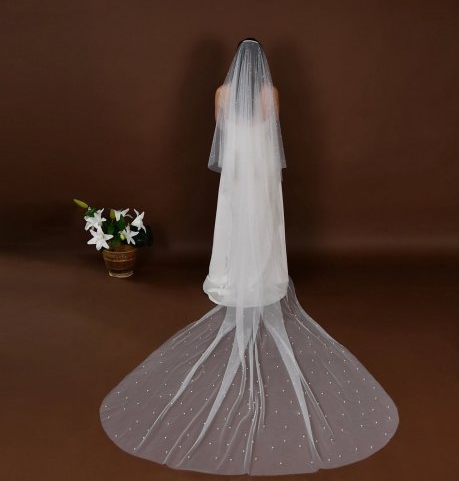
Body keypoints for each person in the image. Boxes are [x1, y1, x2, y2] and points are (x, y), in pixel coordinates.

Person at [100, 38, 399, 475]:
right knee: (264, 224)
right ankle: (264, 278)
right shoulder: (270, 94)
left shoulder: (221, 94)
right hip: (261, 170)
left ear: (235, 64)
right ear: (262, 66)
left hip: (237, 169)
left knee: (235, 222)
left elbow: (221, 133)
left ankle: (232, 275)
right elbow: (271, 132)